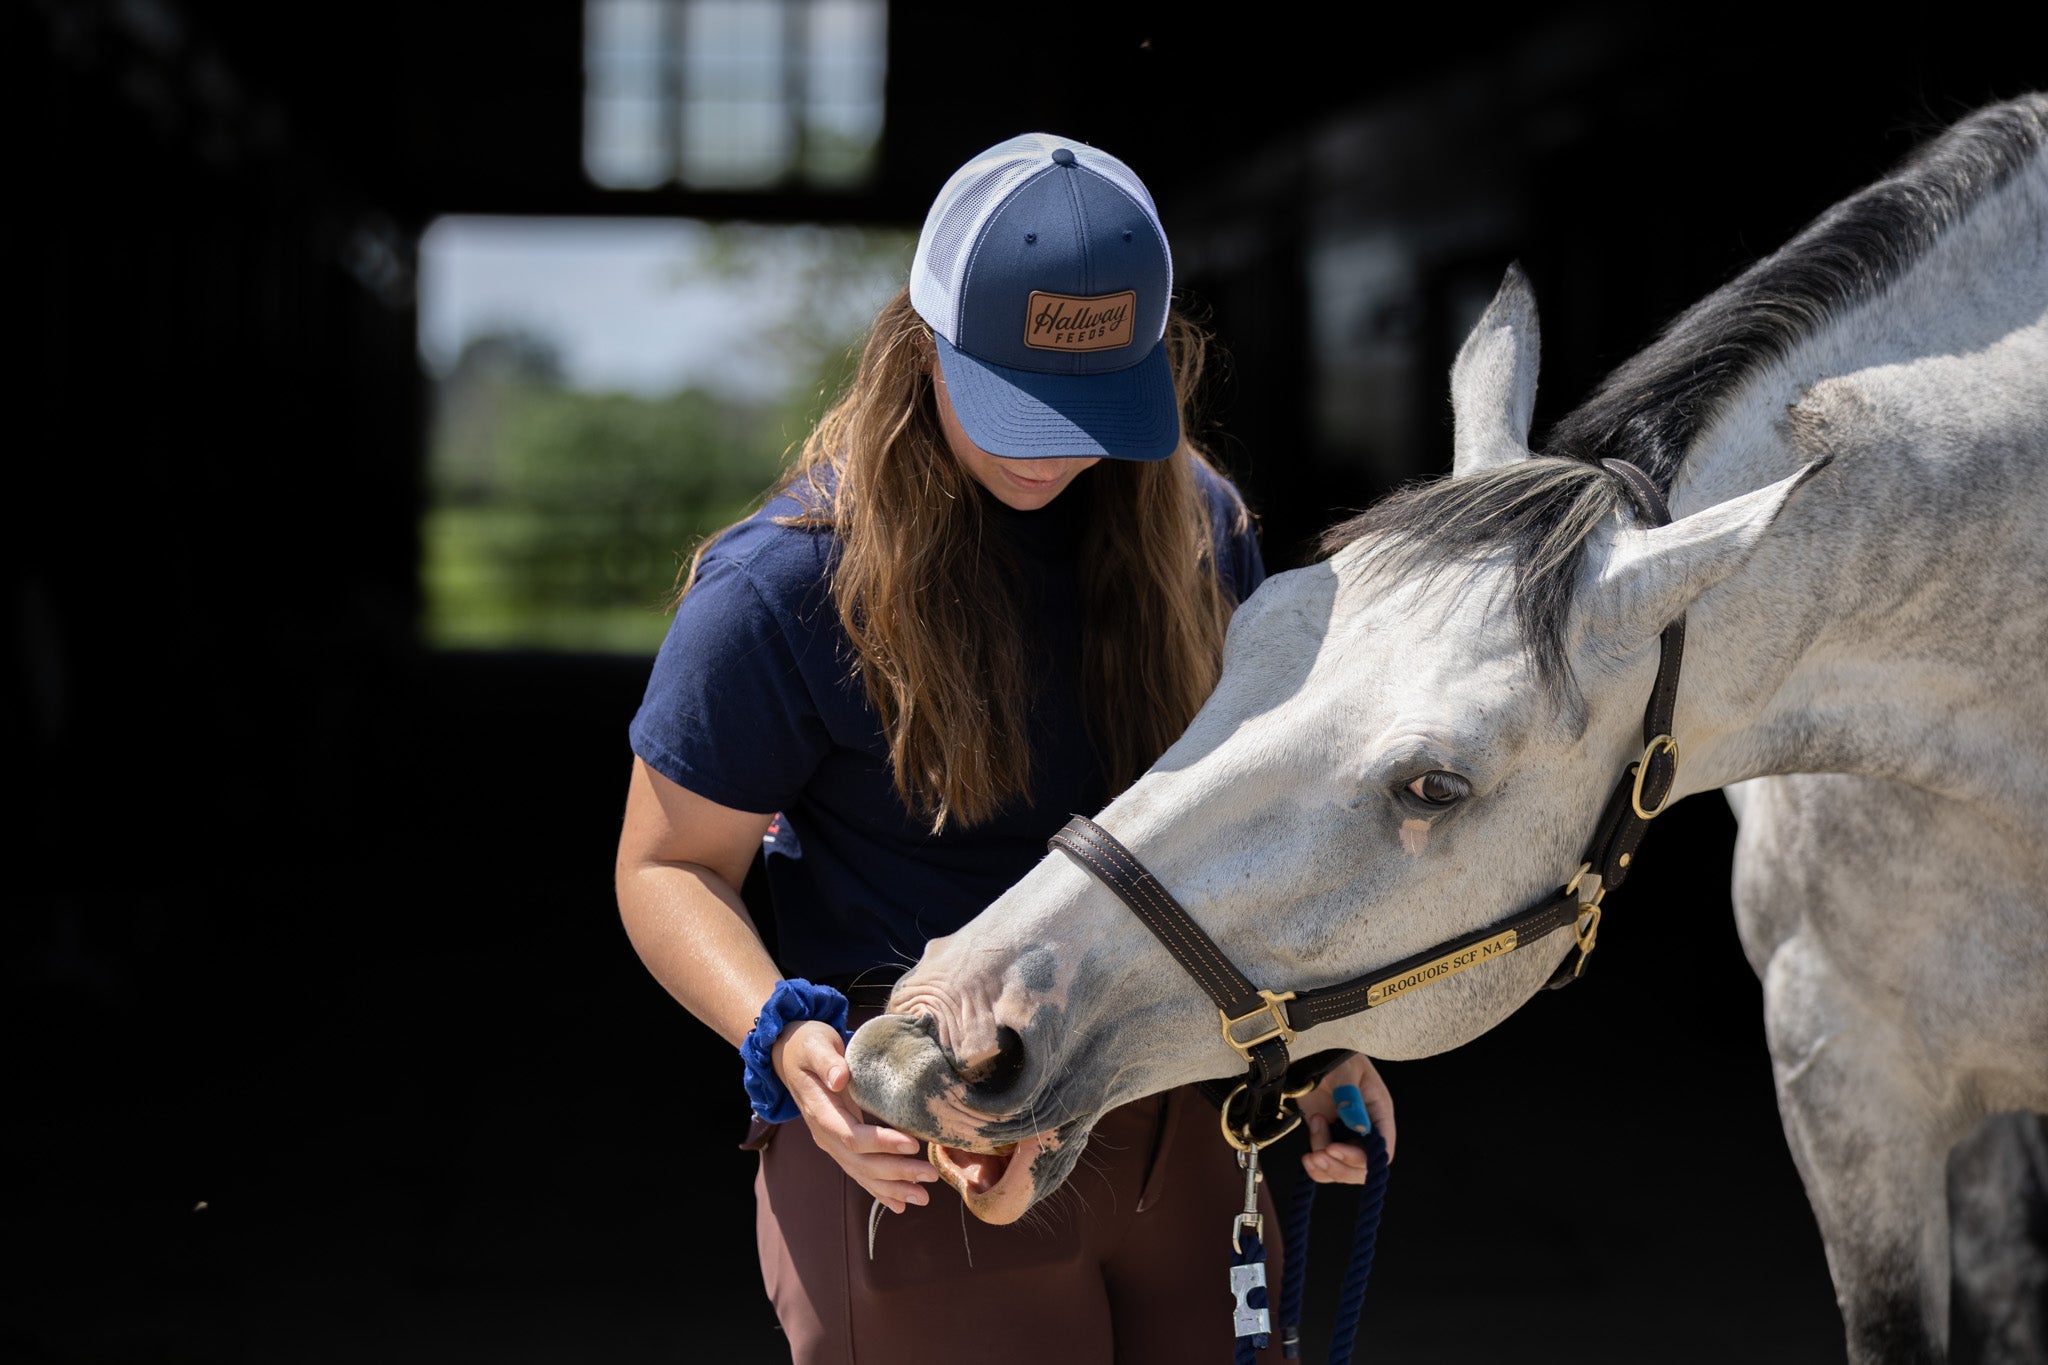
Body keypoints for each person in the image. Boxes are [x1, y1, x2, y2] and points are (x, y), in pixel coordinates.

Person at [614, 132, 1395, 1365]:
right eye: (1012, 404)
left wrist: (1311, 1045)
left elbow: (1243, 822)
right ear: (919, 348)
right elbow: (665, 867)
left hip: (1164, 1103)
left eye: (1091, 411)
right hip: (926, 1131)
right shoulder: (780, 589)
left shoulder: (1198, 532)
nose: (1048, 449)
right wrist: (781, 1033)